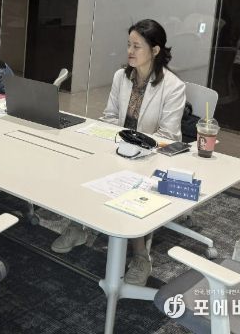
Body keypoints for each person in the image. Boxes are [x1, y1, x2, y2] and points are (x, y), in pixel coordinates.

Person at [51, 19, 186, 287]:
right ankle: (77, 227)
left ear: (155, 50)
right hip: (120, 147)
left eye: (137, 46)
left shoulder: (173, 86)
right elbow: (110, 117)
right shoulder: (121, 77)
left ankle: (141, 256)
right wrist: (106, 138)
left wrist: (134, 148)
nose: (130, 51)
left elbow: (168, 136)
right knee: (81, 163)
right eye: (128, 45)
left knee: (129, 184)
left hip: (151, 156)